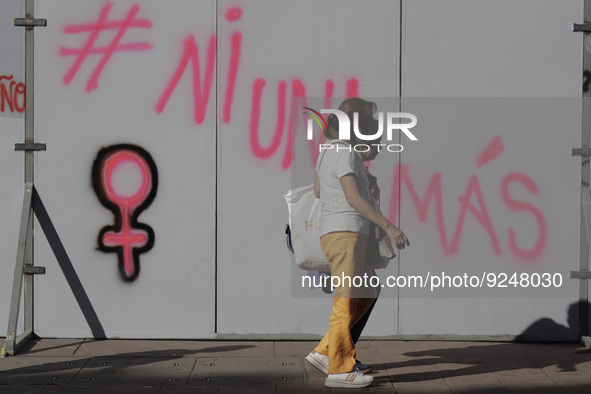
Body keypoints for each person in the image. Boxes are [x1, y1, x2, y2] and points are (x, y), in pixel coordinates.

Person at [305, 98, 409, 388]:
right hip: (346, 233)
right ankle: (339, 370)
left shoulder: (329, 152)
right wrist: (389, 225)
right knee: (346, 299)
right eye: (369, 126)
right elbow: (353, 199)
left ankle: (327, 351)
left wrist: (362, 177)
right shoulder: (345, 153)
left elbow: (317, 190)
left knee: (368, 288)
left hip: (339, 232)